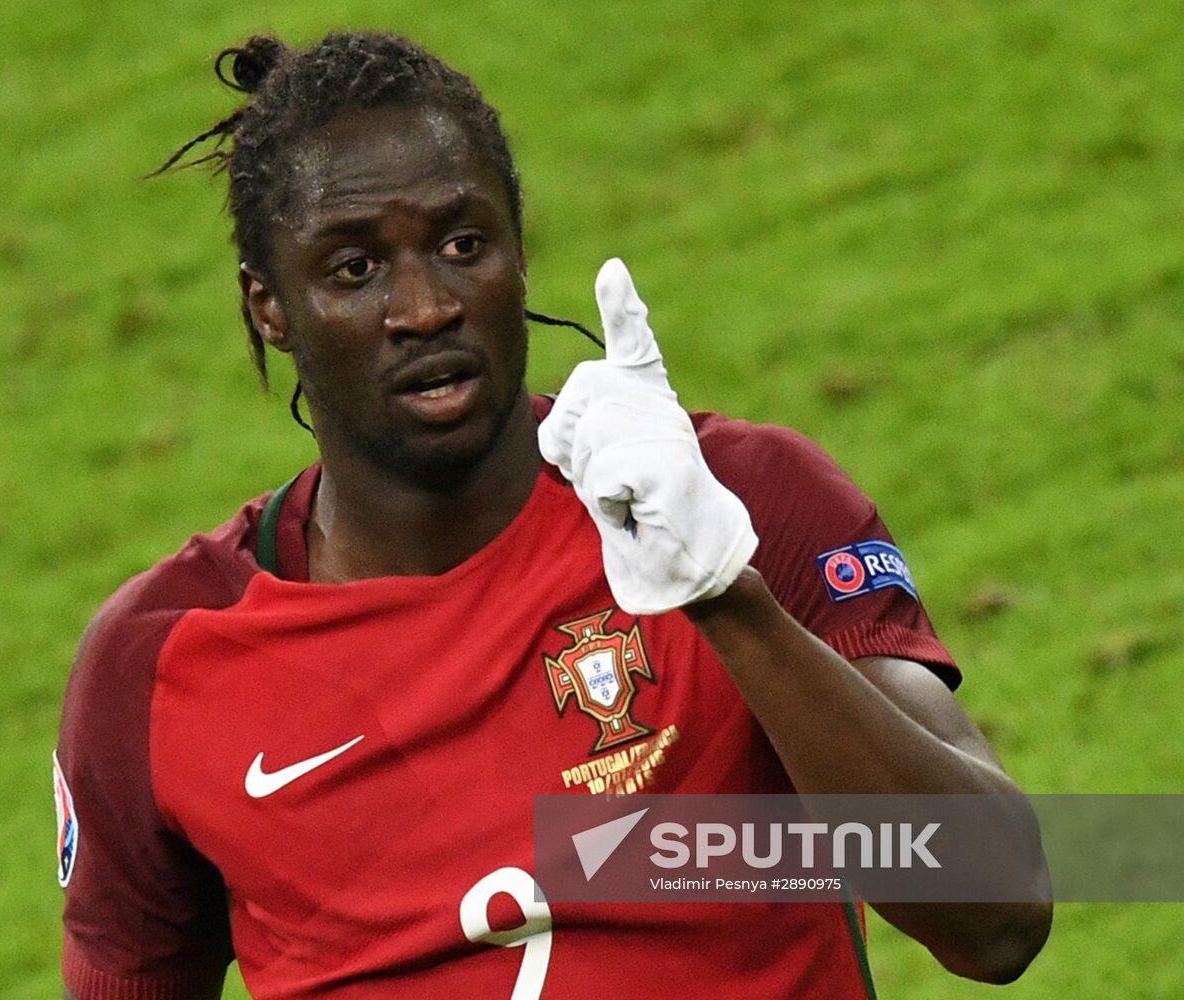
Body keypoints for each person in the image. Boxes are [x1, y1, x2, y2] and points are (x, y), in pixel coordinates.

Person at [55, 30, 1051, 1000]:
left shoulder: (734, 497)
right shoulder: (157, 665)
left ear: (520, 252)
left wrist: (728, 600)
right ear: (269, 306)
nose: (424, 305)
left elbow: (1000, 913)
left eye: (462, 243)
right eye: (354, 267)